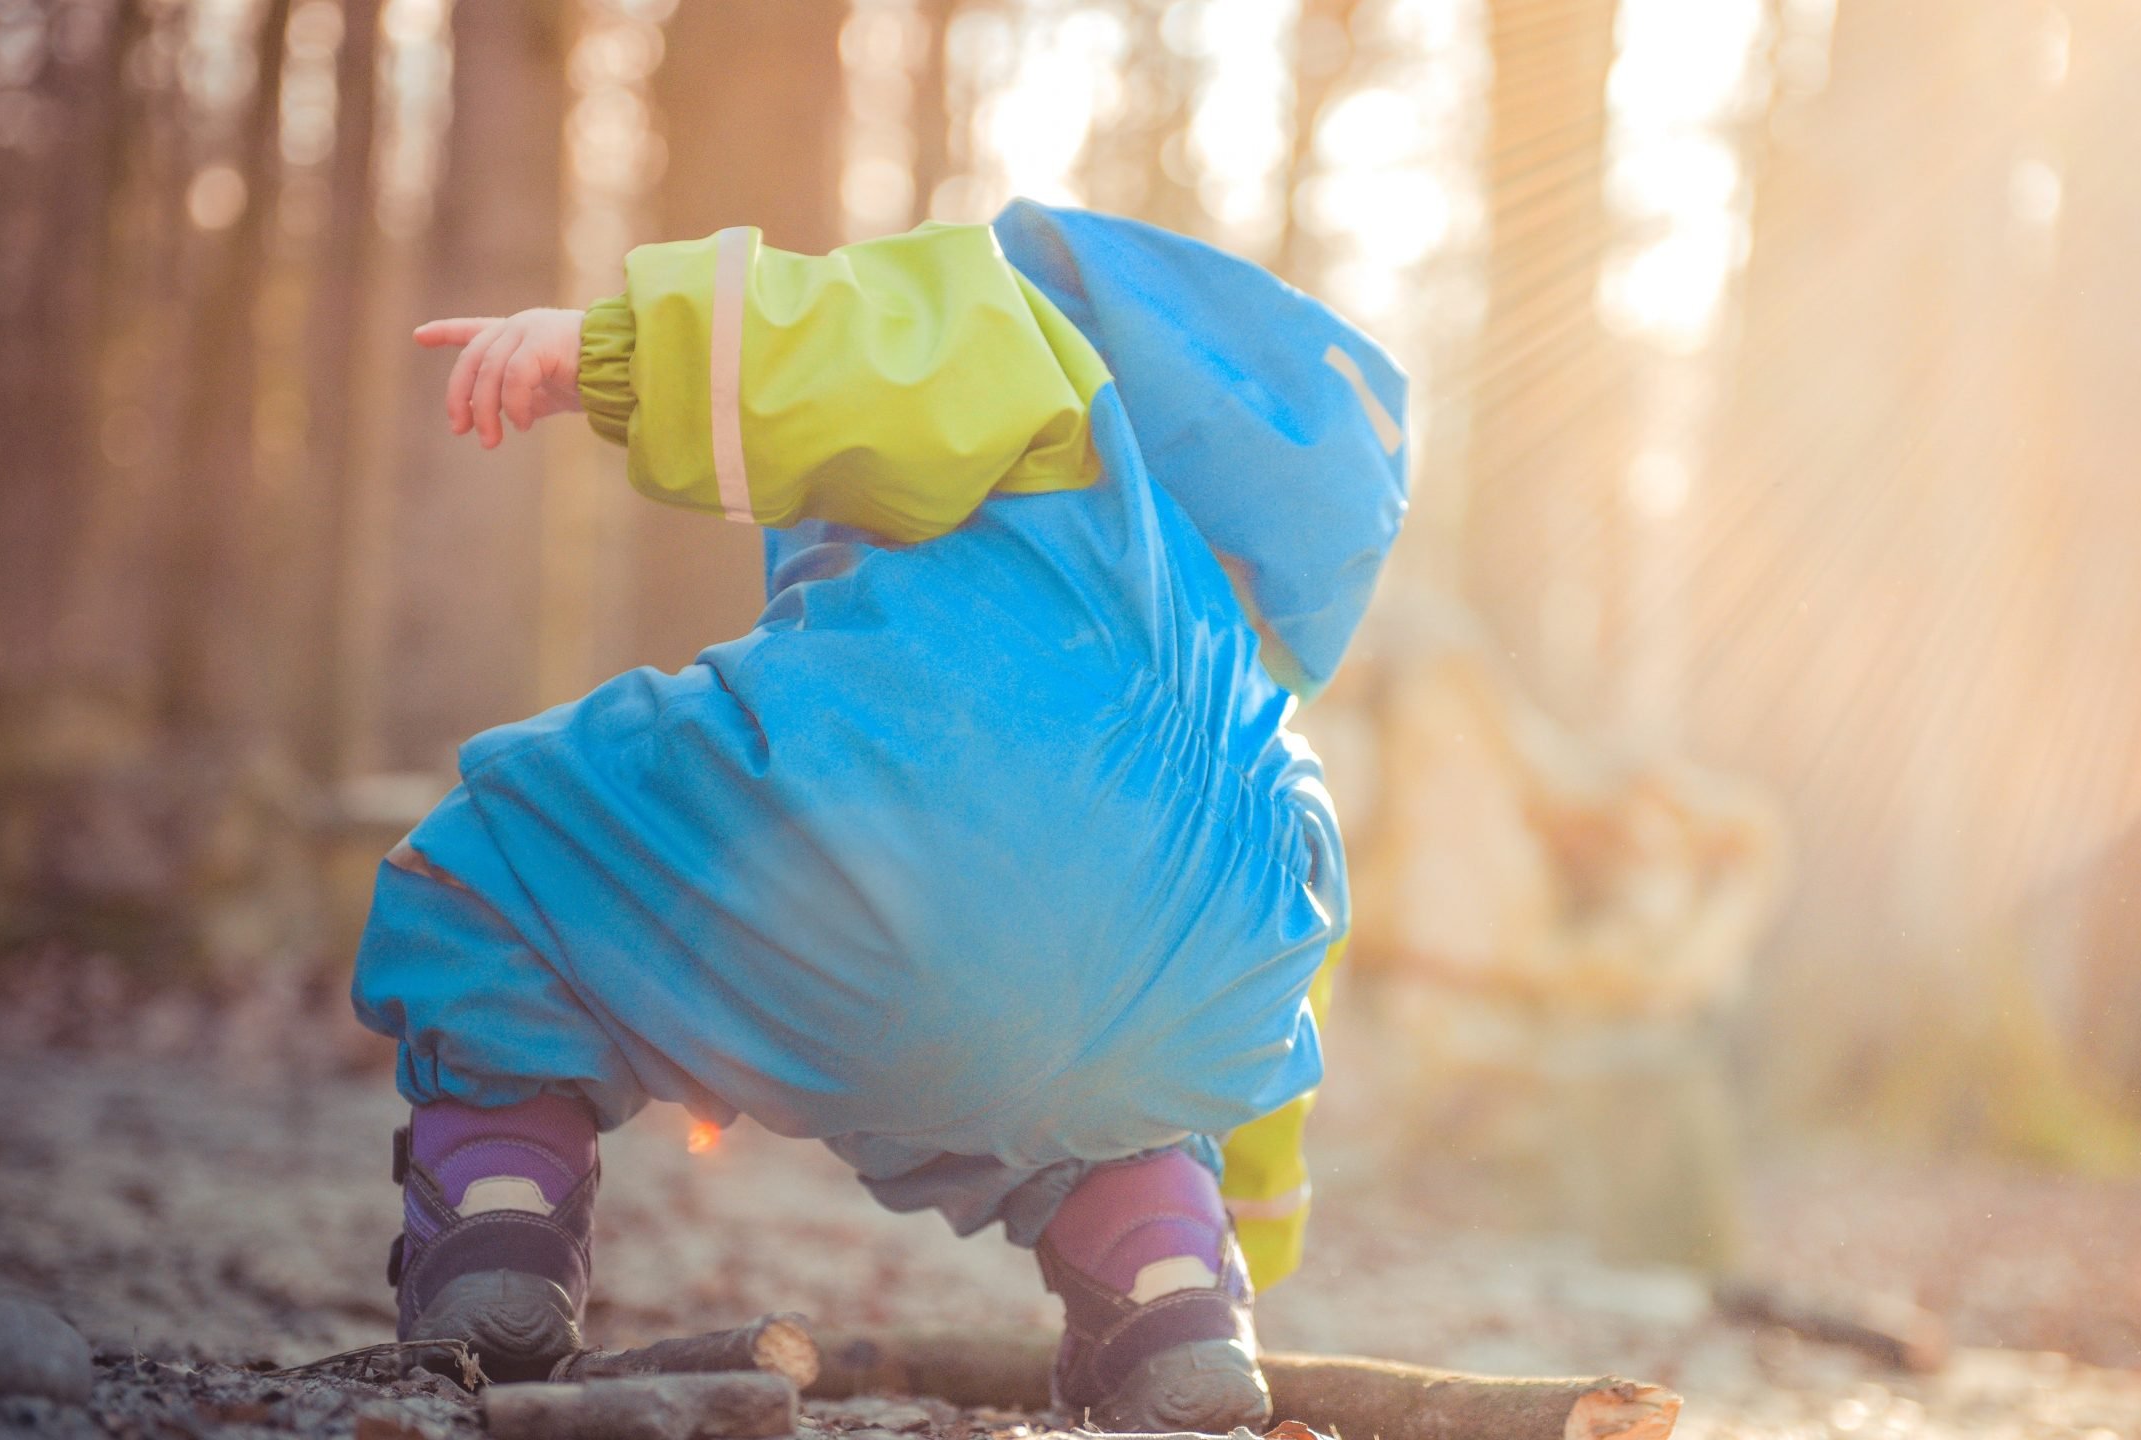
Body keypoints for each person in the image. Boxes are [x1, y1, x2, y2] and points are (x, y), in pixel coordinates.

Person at [351, 200, 1407, 1432]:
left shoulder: (1053, 392)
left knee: (506, 862)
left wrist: (605, 353)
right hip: (1149, 1028)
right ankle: (1171, 1292)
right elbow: (1278, 1022)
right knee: (1125, 1102)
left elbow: (865, 344)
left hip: (878, 862)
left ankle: (499, 1223)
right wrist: (1254, 1236)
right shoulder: (1269, 747)